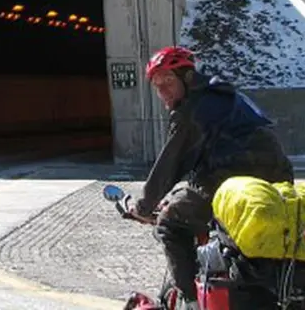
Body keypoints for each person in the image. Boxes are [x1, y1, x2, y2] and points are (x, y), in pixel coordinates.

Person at [126, 45, 295, 309]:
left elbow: (169, 166)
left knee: (169, 222)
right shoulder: (226, 95)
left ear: (188, 77)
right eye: (158, 87)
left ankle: (192, 302)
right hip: (277, 176)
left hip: (234, 178)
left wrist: (144, 207)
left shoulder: (191, 111)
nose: (163, 92)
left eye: (168, 82)